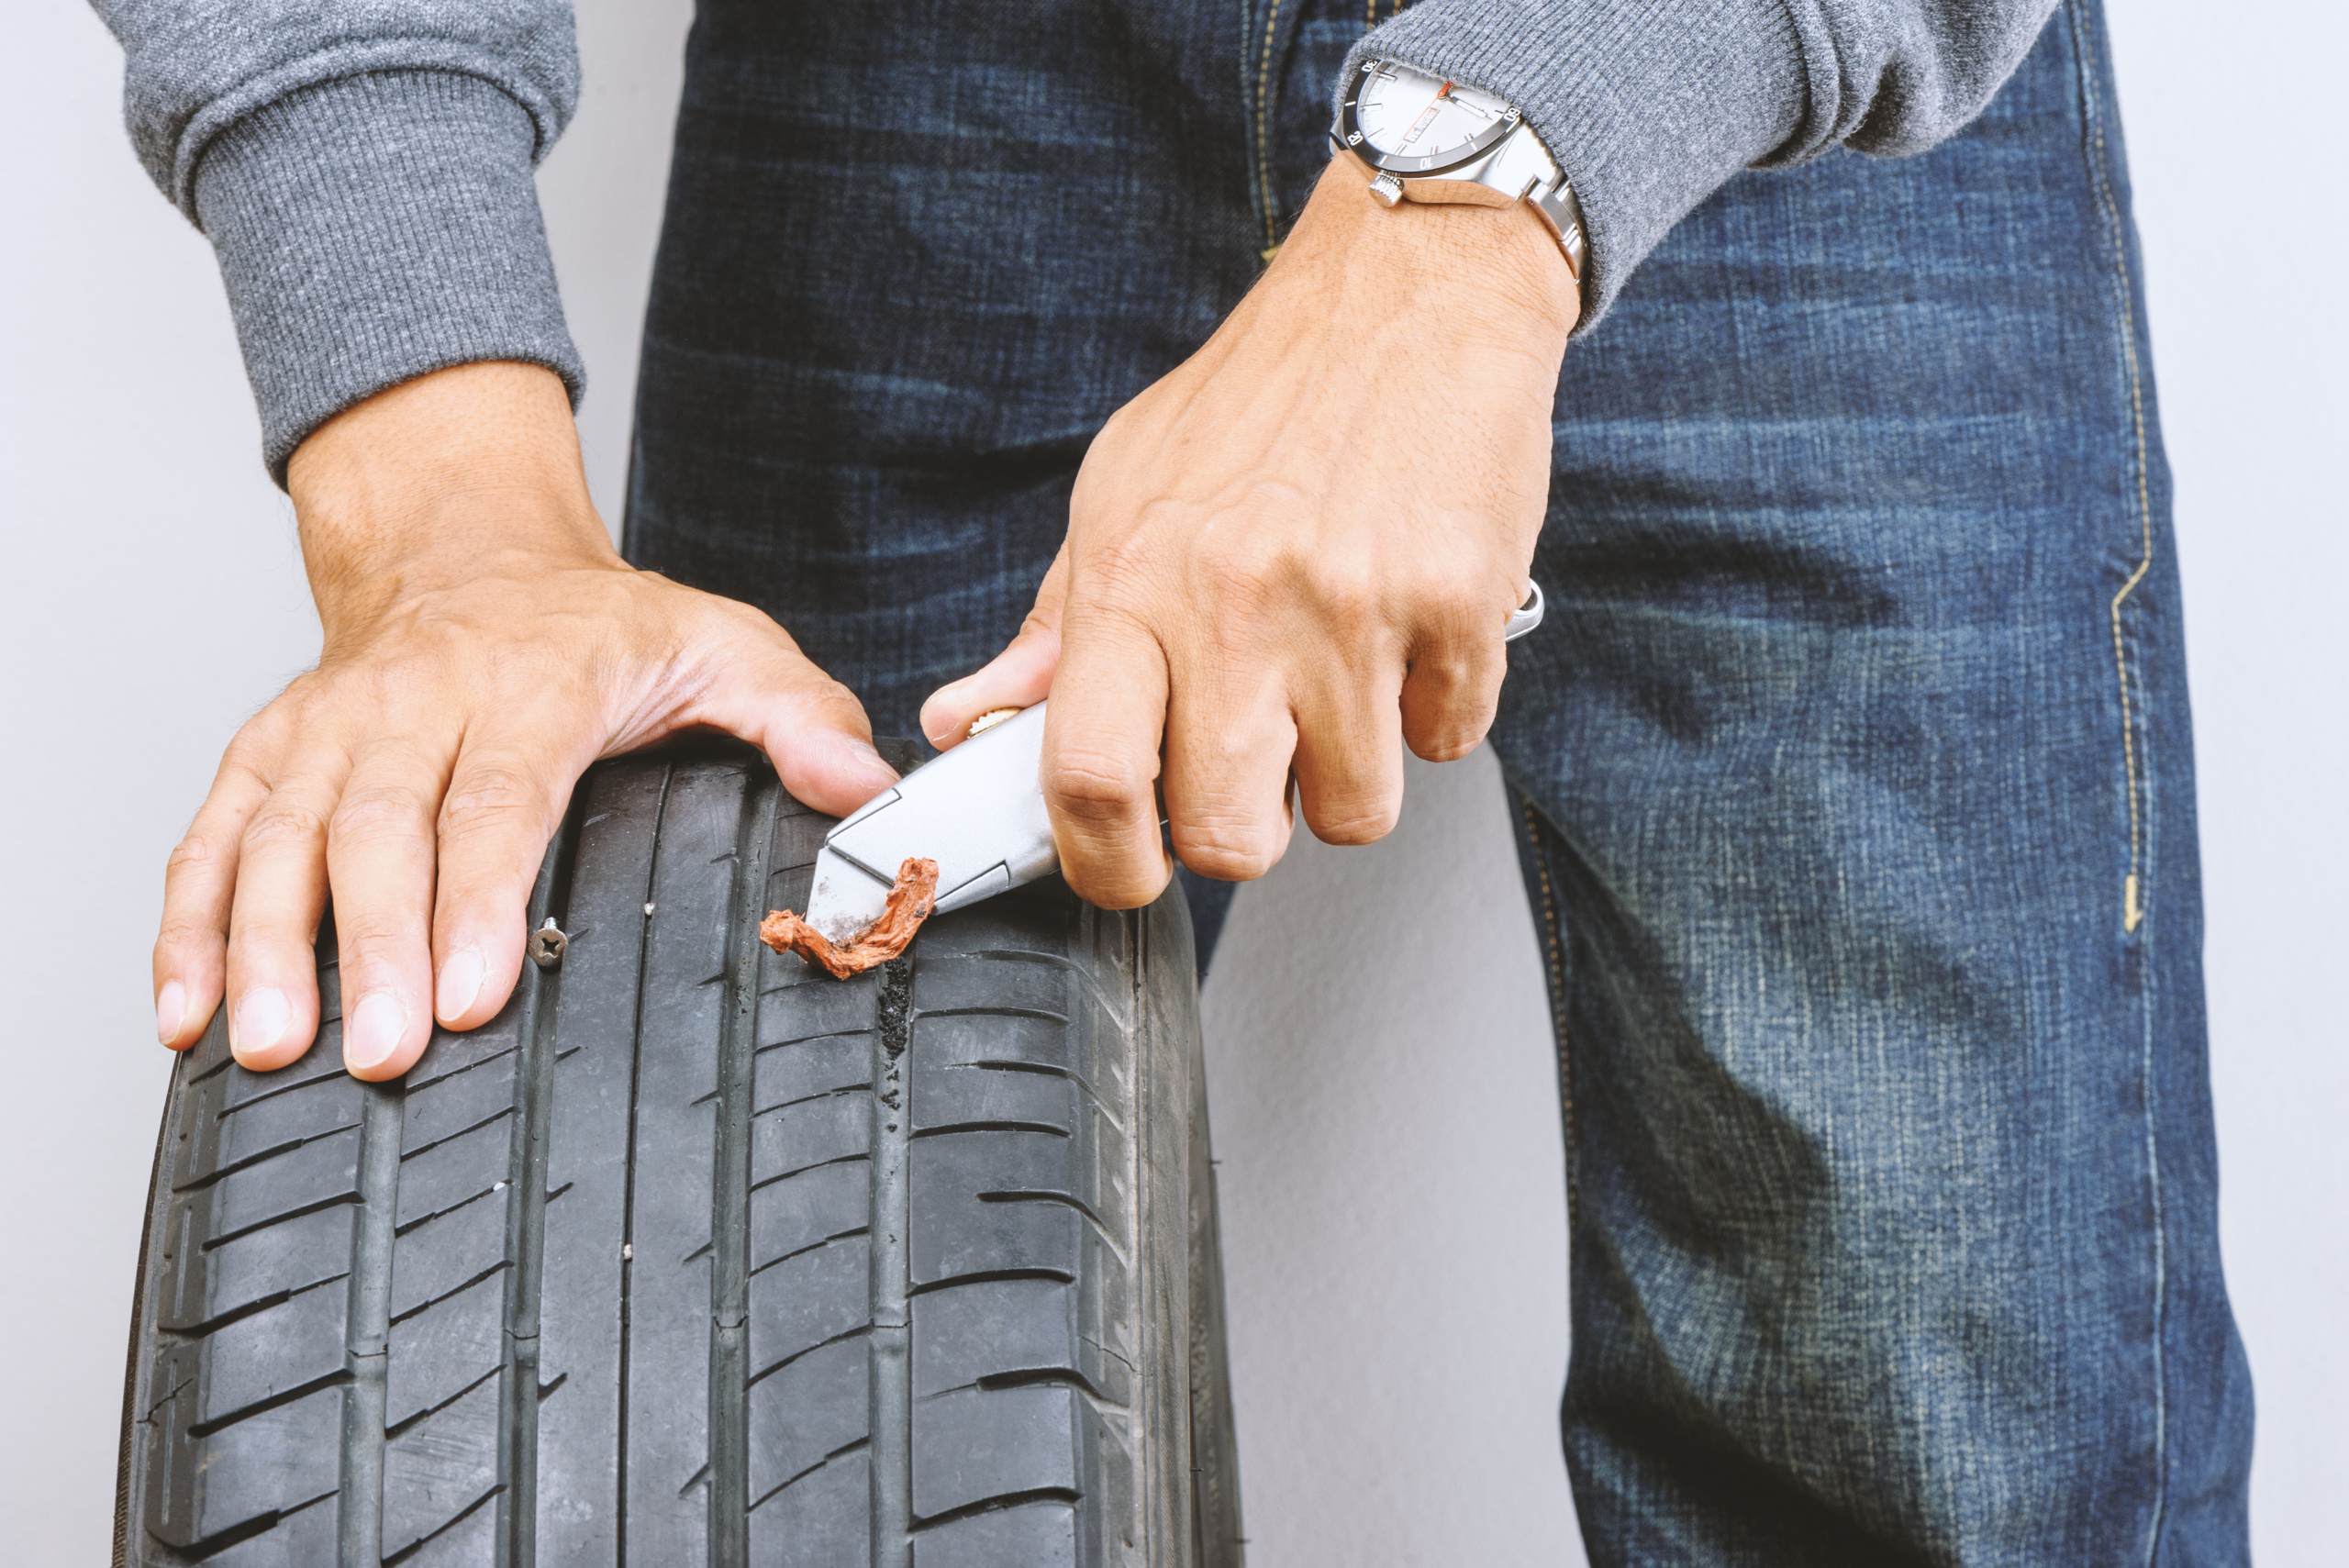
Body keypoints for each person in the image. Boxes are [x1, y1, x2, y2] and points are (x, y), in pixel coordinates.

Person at [97, 0, 2251, 1556]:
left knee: (1944, 1461)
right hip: (920, 82)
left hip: (1803, 115)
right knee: (734, 1419)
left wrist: (1493, 178)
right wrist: (439, 499)